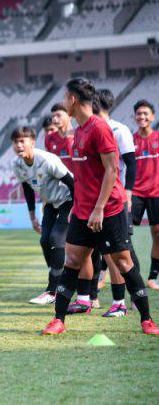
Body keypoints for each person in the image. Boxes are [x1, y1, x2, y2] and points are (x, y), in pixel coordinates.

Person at [40, 78, 158, 336]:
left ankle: (147, 320)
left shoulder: (99, 128)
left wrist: (99, 208)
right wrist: (79, 205)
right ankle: (58, 320)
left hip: (109, 210)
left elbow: (112, 170)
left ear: (72, 99)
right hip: (83, 210)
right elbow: (83, 175)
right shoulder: (79, 131)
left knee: (124, 263)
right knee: (72, 260)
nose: (62, 102)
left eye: (64, 97)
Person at [67, 89, 138, 317]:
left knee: (114, 254)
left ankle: (121, 302)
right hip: (88, 205)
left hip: (110, 203)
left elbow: (126, 165)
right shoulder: (82, 130)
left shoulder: (116, 129)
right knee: (84, 253)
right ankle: (86, 299)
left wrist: (127, 193)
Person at [10, 126, 74, 306]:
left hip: (69, 200)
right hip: (51, 204)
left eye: (22, 141)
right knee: (45, 241)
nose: (19, 145)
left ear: (32, 142)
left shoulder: (46, 159)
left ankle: (52, 291)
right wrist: (32, 217)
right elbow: (27, 190)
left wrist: (77, 209)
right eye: (15, 142)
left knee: (56, 239)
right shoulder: (17, 164)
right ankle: (58, 275)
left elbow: (72, 183)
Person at [132, 99, 159, 291]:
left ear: (153, 117)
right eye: (139, 113)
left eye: (145, 113)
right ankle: (106, 272)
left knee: (157, 234)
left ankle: (152, 277)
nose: (142, 116)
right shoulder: (130, 140)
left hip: (156, 193)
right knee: (121, 232)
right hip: (135, 193)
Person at [44, 103, 75, 173]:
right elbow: (49, 163)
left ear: (69, 116)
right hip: (59, 181)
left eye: (58, 115)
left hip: (78, 180)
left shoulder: (79, 135)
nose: (54, 119)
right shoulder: (49, 138)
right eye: (53, 116)